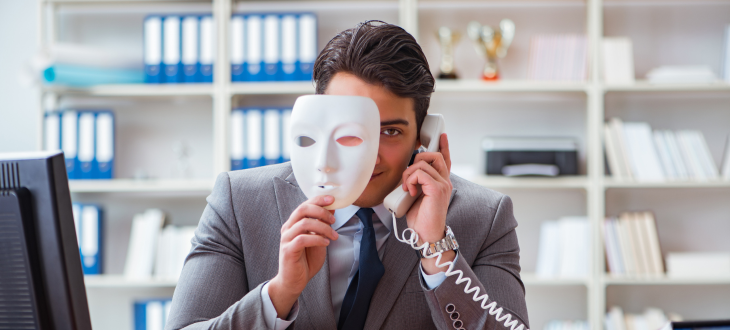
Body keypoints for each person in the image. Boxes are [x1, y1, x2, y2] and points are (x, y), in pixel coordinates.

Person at [166, 20, 529, 330]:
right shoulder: (239, 202)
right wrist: (278, 295)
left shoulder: (486, 217)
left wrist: (437, 251)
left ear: (424, 137)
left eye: (389, 132)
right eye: (350, 130)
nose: (366, 154)